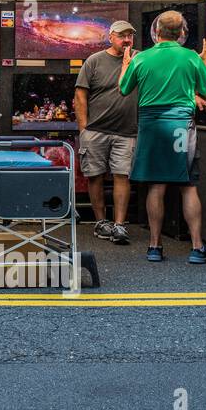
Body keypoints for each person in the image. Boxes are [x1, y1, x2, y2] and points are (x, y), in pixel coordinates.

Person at [118, 10, 206, 264]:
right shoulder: (191, 58)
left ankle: (154, 246)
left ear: (156, 32)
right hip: (181, 127)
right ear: (182, 33)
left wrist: (126, 65)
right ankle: (197, 248)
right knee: (188, 185)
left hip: (150, 127)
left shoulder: (142, 59)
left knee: (156, 185)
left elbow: (123, 88)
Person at [74, 19, 139, 245]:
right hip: (96, 130)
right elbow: (81, 94)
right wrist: (84, 128)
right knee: (95, 176)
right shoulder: (94, 61)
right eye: (122, 35)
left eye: (130, 35)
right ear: (111, 37)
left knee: (123, 175)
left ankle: (119, 225)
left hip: (127, 131)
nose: (127, 40)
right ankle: (101, 222)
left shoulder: (138, 60)